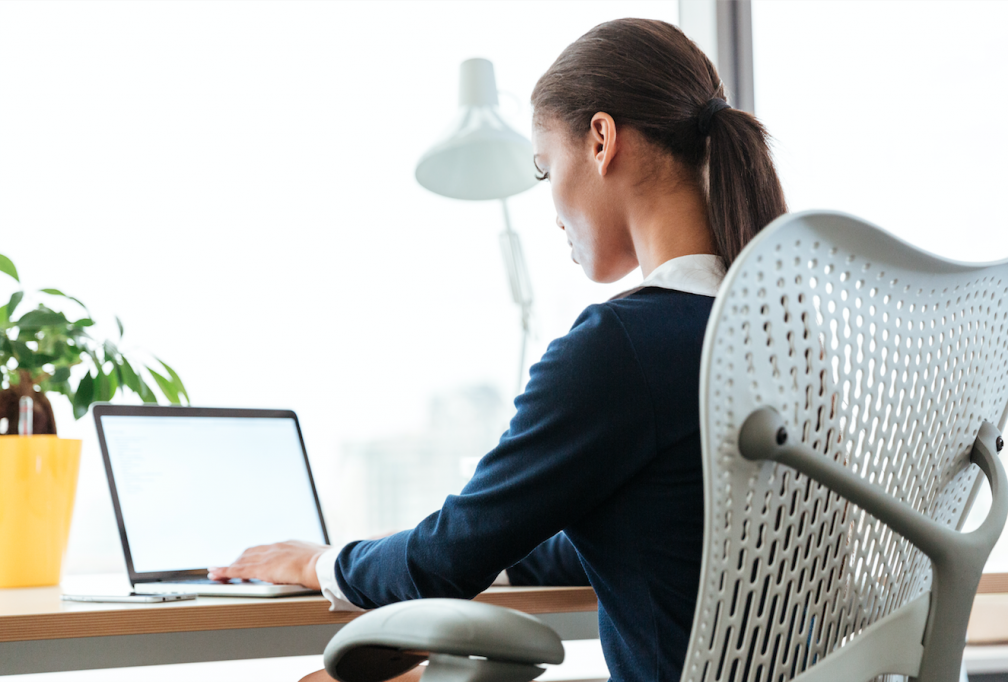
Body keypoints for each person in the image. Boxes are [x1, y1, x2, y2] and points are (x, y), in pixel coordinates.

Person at [209, 18, 786, 682]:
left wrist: (318, 563)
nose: (551, 205)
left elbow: (440, 563)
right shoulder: (779, 337)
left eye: (545, 170)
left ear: (601, 140)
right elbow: (659, 536)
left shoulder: (621, 349)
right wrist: (503, 541)